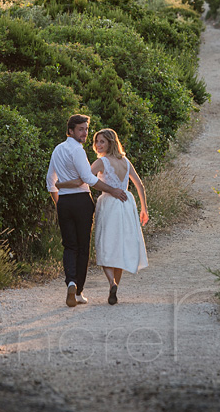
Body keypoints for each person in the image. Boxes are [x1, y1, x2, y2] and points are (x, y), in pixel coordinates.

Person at [57, 128, 148, 305]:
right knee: (120, 246)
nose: (98, 145)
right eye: (96, 141)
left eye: (102, 142)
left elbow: (82, 180)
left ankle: (111, 282)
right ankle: (114, 288)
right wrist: (144, 209)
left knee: (105, 245)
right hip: (127, 204)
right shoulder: (126, 161)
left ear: (110, 143)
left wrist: (60, 183)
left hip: (109, 204)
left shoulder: (102, 162)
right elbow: (139, 185)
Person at [46, 115, 127, 308]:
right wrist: (113, 190)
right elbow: (88, 179)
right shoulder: (77, 150)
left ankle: (71, 283)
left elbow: (50, 180)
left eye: (86, 129)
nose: (84, 133)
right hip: (81, 201)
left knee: (69, 246)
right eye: (81, 129)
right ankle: (79, 292)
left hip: (64, 201)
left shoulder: (57, 149)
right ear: (71, 131)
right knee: (83, 247)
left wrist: (59, 202)